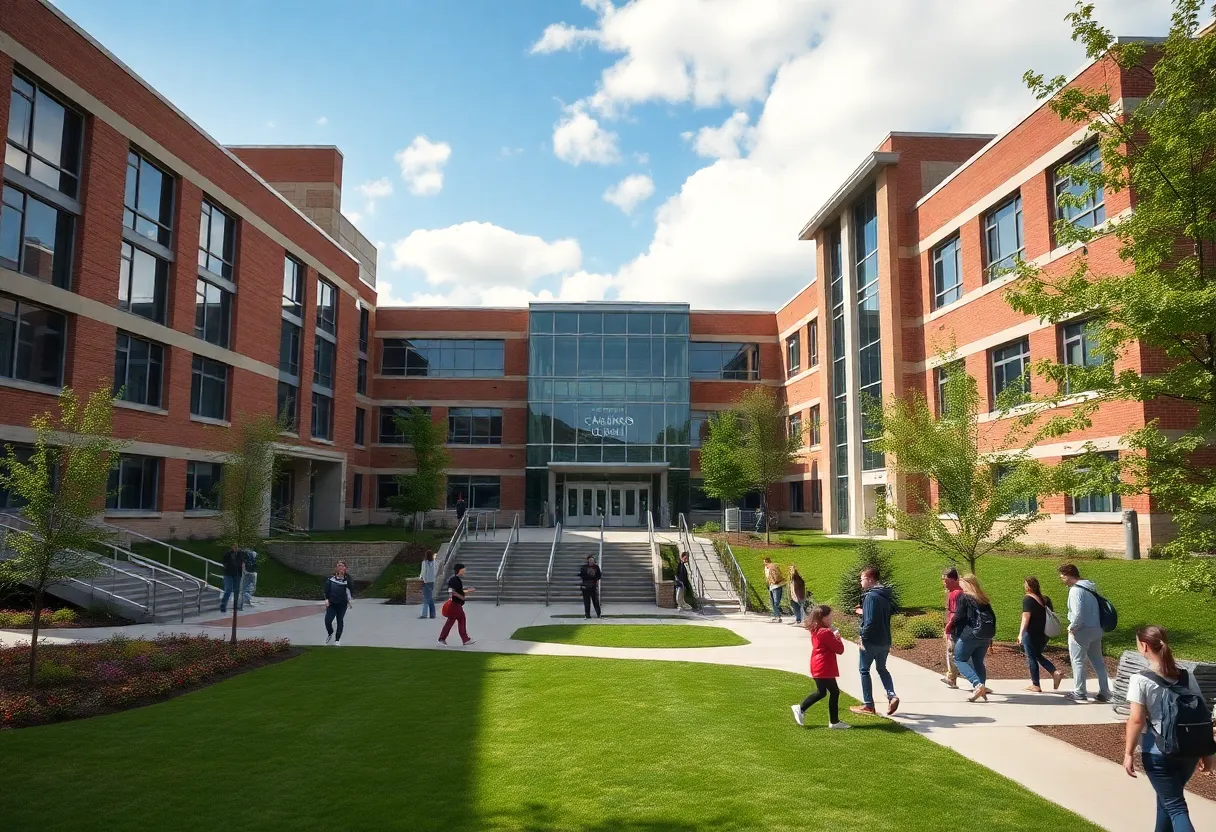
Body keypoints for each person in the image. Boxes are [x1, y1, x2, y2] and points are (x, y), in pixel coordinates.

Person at [1122, 625, 1215, 831]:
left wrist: (1128, 753)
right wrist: (1207, 752)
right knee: (1166, 803)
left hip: (1158, 753)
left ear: (1144, 646)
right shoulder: (1186, 675)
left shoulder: (1140, 679)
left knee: (1175, 807)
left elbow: (1136, 720)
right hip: (1188, 751)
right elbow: (1203, 713)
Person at [1058, 563, 1112, 703]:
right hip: (1096, 629)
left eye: (1062, 576)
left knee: (1078, 661)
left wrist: (1072, 628)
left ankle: (1079, 691)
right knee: (1098, 662)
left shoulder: (1075, 591)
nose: (1061, 579)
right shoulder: (1089, 587)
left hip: (1081, 631)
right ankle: (1105, 691)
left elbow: (1078, 614)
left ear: (1069, 575)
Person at [850, 566, 899, 716]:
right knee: (881, 668)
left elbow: (870, 621)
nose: (860, 582)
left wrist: (862, 637)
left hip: (871, 640)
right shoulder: (884, 595)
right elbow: (885, 613)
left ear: (870, 580)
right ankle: (892, 695)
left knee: (864, 670)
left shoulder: (871, 596)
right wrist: (864, 611)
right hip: (885, 639)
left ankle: (868, 705)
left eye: (862, 579)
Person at [792, 605, 850, 729]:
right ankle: (833, 722)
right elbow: (839, 649)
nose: (832, 618)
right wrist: (837, 636)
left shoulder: (815, 629)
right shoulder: (825, 632)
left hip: (818, 665)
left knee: (822, 692)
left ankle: (801, 709)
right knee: (833, 692)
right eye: (830, 616)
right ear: (823, 618)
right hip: (824, 666)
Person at [951, 574, 996, 702]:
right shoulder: (983, 598)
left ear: (967, 584)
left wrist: (952, 630)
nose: (960, 585)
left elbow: (959, 617)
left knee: (959, 659)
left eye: (962, 583)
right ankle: (981, 687)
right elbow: (993, 618)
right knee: (978, 661)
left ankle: (977, 684)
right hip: (985, 635)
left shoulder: (964, 597)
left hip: (970, 634)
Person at [1017, 576, 1063, 693]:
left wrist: (1021, 634)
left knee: (1031, 657)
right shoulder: (1044, 599)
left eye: (1025, 584)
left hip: (1031, 633)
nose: (1024, 586)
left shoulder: (1027, 599)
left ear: (1028, 586)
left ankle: (1036, 685)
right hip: (1043, 634)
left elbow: (1026, 617)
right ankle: (1054, 672)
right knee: (1037, 655)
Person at [438, 563, 475, 646]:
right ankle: (465, 639)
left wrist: (467, 591)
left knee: (451, 621)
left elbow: (457, 591)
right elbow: (451, 591)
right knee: (461, 619)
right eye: (464, 569)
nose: (465, 570)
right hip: (455, 604)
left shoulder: (456, 579)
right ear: (460, 569)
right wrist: (462, 597)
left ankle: (442, 638)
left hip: (455, 604)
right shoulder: (454, 580)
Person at [940, 567, 963, 689]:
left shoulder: (957, 593)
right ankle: (951, 676)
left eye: (946, 580)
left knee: (951, 652)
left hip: (954, 628)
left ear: (954, 580)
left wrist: (947, 628)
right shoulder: (952, 592)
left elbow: (955, 613)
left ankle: (952, 678)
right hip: (952, 626)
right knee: (951, 652)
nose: (944, 583)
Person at [323, 560, 354, 646]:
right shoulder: (331, 579)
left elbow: (351, 589)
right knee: (327, 620)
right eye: (338, 565)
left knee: (339, 620)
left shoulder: (347, 580)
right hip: (332, 603)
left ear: (345, 568)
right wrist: (326, 600)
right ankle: (330, 633)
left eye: (341, 565)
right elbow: (326, 590)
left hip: (342, 604)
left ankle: (337, 639)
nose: (339, 567)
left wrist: (349, 601)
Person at [219, 543, 245, 613]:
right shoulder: (228, 554)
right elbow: (224, 562)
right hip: (228, 574)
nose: (236, 547)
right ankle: (223, 606)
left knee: (236, 590)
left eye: (237, 546)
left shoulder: (240, 554)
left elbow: (242, 562)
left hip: (237, 575)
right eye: (234, 546)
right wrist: (228, 567)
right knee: (228, 589)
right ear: (232, 546)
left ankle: (235, 606)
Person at [763, 558, 784, 623]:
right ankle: (776, 616)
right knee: (774, 602)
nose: (764, 564)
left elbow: (777, 576)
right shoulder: (767, 568)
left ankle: (778, 616)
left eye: (765, 563)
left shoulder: (772, 567)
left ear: (768, 562)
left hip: (776, 586)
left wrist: (774, 581)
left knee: (776, 602)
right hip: (771, 586)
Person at [418, 551, 437, 619]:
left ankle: (424, 614)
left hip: (426, 582)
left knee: (426, 598)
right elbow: (436, 571)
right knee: (430, 598)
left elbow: (423, 572)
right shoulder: (434, 562)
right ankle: (433, 614)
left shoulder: (424, 563)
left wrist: (421, 577)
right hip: (432, 581)